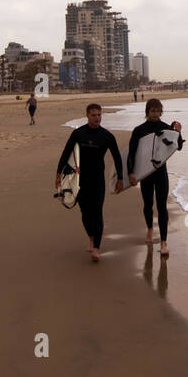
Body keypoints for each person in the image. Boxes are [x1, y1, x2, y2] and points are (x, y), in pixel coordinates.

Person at [56, 103, 123, 262]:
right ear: (87, 116)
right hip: (80, 180)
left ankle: (97, 248)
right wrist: (58, 174)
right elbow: (66, 153)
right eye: (93, 115)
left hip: (98, 179)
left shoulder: (107, 136)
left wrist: (120, 178)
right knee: (85, 213)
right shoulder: (79, 133)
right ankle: (91, 238)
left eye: (99, 115)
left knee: (97, 212)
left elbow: (117, 158)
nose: (97, 118)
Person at [127, 99, 183, 258]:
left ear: (161, 112)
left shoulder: (166, 128)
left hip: (160, 173)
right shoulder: (139, 130)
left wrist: (179, 132)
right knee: (148, 204)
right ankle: (150, 230)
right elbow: (131, 153)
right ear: (147, 112)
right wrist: (131, 173)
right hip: (146, 174)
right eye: (152, 111)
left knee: (162, 205)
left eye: (158, 111)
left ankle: (164, 242)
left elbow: (178, 146)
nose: (155, 114)